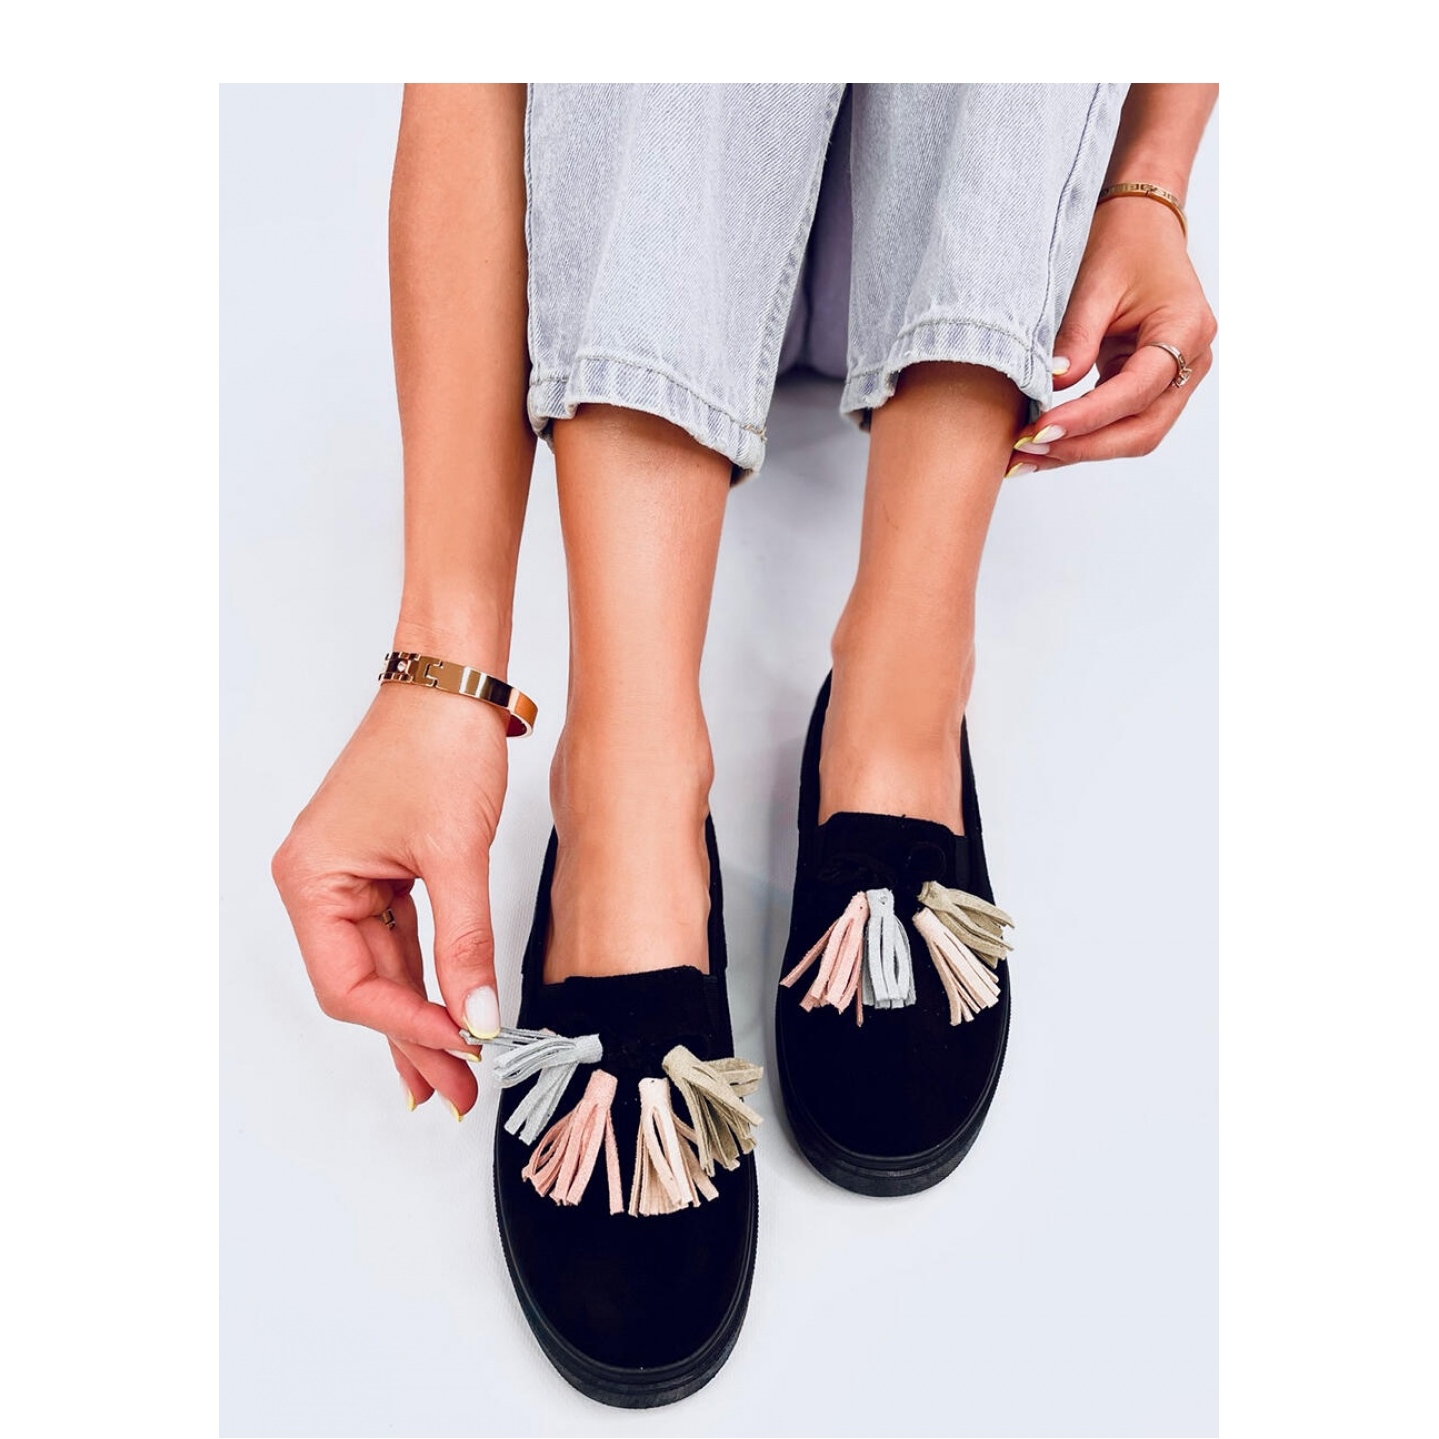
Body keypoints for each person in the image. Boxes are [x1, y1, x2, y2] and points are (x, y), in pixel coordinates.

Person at [272, 82, 1217, 1407]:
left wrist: (1150, 179)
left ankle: (903, 674)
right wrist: (442, 675)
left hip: (958, 243)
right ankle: (632, 778)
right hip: (653, 230)